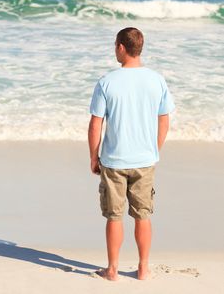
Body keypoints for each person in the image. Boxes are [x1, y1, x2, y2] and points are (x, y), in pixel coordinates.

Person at [88, 27, 175, 281]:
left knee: (114, 216)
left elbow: (96, 124)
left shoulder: (107, 81)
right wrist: (154, 149)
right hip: (145, 160)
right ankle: (143, 268)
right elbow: (164, 120)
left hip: (114, 161)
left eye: (115, 45)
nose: (114, 49)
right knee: (142, 216)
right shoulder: (156, 79)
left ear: (122, 48)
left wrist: (94, 157)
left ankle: (112, 270)